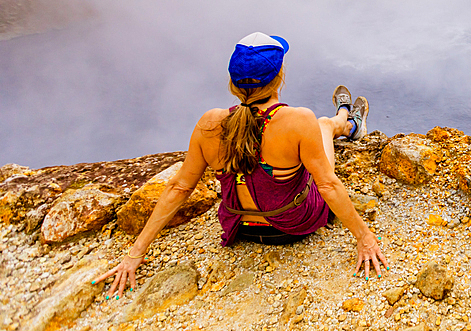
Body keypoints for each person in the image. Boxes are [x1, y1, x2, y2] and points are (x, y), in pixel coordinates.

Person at [95, 32, 388, 297]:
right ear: (279, 77)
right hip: (292, 225)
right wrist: (365, 239)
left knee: (314, 134)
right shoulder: (298, 121)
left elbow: (179, 188)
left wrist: (134, 255)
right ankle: (348, 122)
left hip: (240, 228)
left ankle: (347, 119)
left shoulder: (210, 123)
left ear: (233, 84)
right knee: (323, 126)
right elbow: (327, 185)